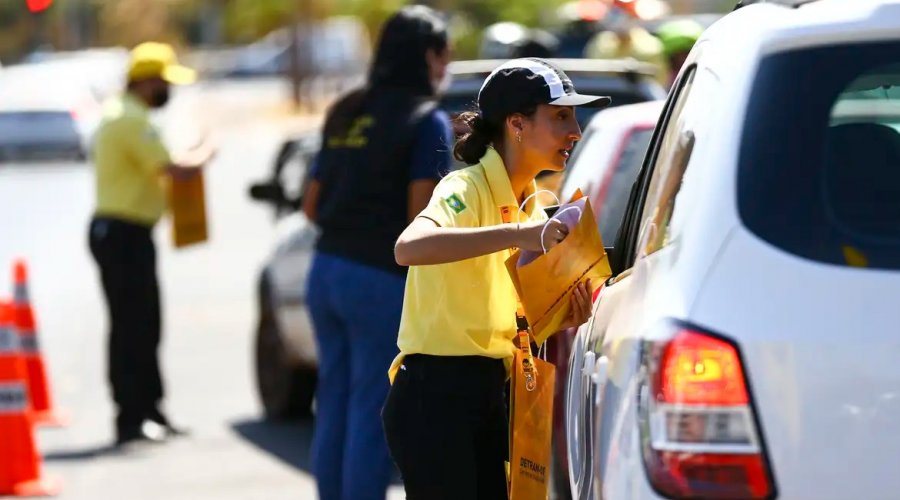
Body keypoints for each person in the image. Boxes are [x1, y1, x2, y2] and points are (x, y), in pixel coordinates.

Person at [383, 57, 602, 499]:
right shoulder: (464, 188)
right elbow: (409, 248)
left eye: (574, 116)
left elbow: (513, 318)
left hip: (493, 391)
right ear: (517, 124)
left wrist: (562, 314)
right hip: (436, 395)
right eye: (561, 115)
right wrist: (519, 234)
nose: (575, 130)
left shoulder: (534, 207)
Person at [299, 6, 453, 500]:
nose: (445, 66)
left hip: (324, 270)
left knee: (335, 401)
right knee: (371, 408)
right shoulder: (427, 121)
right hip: (378, 278)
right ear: (428, 56)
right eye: (443, 55)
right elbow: (420, 219)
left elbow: (310, 204)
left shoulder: (346, 109)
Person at [89, 42, 213, 447]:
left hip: (128, 233)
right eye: (163, 82)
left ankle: (150, 410)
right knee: (132, 328)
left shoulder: (130, 114)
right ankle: (131, 417)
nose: (167, 91)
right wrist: (207, 149)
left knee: (145, 324)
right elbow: (175, 169)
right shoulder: (129, 119)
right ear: (144, 83)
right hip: (122, 234)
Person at [583, 5, 669, 86]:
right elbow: (591, 76)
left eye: (625, 12)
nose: (619, 17)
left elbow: (657, 82)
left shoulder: (650, 44)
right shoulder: (600, 41)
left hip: (638, 98)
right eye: (615, 11)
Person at [656, 18, 704, 87]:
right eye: (679, 53)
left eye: (687, 51)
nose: (684, 58)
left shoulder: (701, 75)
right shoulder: (665, 77)